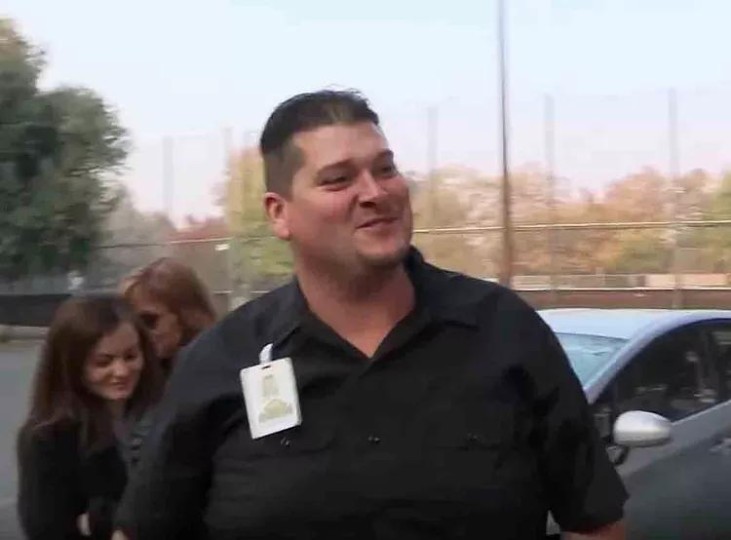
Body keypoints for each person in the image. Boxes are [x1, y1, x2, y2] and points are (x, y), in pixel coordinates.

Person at [114, 90, 627, 539]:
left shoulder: (504, 331)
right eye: (339, 180)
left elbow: (595, 521)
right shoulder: (220, 362)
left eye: (385, 169)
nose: (376, 193)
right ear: (279, 213)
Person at [17, 296, 163, 540]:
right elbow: (47, 530)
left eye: (130, 356)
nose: (121, 371)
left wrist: (99, 519)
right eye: (103, 362)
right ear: (70, 365)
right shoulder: (46, 439)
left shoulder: (166, 413)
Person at [119, 257, 217, 376]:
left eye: (148, 321)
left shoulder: (218, 371)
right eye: (133, 323)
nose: (140, 332)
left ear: (185, 317)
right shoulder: (131, 375)